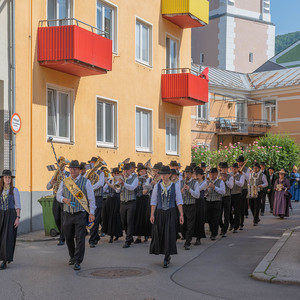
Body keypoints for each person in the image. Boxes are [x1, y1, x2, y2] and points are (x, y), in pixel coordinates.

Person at [56, 160, 96, 271]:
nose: (72, 171)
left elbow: (91, 199)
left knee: (80, 238)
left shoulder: (86, 182)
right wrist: (64, 199)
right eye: (71, 169)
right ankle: (72, 256)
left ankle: (78, 260)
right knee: (68, 237)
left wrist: (92, 212)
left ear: (79, 170)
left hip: (80, 214)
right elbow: (58, 195)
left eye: (75, 169)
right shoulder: (65, 182)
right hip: (67, 214)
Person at [150, 166, 184, 268]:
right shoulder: (157, 186)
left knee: (169, 234)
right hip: (160, 213)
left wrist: (181, 214)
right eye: (162, 175)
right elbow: (154, 201)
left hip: (171, 212)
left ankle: (167, 256)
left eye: (165, 175)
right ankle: (164, 252)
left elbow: (179, 201)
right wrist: (152, 214)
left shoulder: (175, 186)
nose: (163, 177)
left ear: (170, 175)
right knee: (160, 233)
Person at [0, 170, 21, 270]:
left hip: (11, 214)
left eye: (9, 178)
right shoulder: (0, 190)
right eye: (5, 177)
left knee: (7, 238)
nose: (7, 179)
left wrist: (17, 218)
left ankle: (4, 260)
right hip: (1, 214)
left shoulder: (14, 190)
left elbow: (18, 205)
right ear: (3, 179)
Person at [46, 157, 70, 246]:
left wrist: (65, 178)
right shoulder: (55, 175)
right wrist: (51, 183)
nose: (60, 167)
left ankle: (62, 238)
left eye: (62, 165)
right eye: (59, 165)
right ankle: (62, 233)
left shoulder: (68, 174)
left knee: (63, 219)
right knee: (56, 218)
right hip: (56, 199)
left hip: (64, 199)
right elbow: (47, 187)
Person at [86, 157, 105, 248]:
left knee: (95, 219)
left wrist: (90, 188)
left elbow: (101, 183)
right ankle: (95, 236)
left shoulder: (101, 173)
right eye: (91, 163)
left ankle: (92, 240)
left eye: (94, 163)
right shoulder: (87, 173)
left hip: (97, 197)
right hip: (89, 198)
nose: (92, 164)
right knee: (89, 218)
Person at [180, 166, 200, 250]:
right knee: (182, 224)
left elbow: (197, 195)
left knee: (190, 224)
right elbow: (177, 195)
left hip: (191, 205)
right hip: (183, 205)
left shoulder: (195, 183)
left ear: (192, 174)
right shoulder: (181, 182)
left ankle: (188, 241)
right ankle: (185, 236)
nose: (187, 175)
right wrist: (181, 191)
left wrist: (189, 189)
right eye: (186, 173)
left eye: (188, 173)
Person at [119, 163, 138, 248]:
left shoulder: (135, 178)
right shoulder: (122, 178)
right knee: (123, 222)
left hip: (131, 202)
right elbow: (117, 190)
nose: (125, 172)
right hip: (123, 202)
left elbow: (132, 187)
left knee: (129, 221)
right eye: (124, 170)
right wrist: (118, 184)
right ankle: (129, 237)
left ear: (131, 170)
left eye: (127, 170)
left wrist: (124, 184)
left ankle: (128, 240)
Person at [102, 168, 123, 243]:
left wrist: (108, 183)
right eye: (115, 173)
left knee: (116, 217)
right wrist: (104, 183)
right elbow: (104, 190)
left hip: (117, 200)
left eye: (118, 173)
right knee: (109, 217)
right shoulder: (110, 180)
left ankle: (116, 234)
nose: (116, 175)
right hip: (109, 200)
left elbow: (117, 189)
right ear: (113, 174)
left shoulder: (120, 181)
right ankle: (110, 235)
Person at [134, 163, 152, 244]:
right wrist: (137, 184)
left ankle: (146, 234)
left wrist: (145, 185)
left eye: (144, 171)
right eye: (141, 171)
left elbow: (148, 189)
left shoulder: (149, 179)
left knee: (145, 216)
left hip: (145, 199)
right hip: (138, 199)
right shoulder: (136, 179)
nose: (143, 173)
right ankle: (138, 237)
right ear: (139, 172)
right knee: (138, 217)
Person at [205, 168, 225, 240]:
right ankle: (212, 230)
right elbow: (203, 192)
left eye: (213, 174)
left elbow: (223, 192)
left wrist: (215, 187)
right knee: (209, 218)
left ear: (217, 174)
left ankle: (214, 233)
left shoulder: (220, 182)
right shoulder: (207, 181)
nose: (212, 175)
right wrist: (206, 189)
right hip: (208, 201)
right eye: (211, 174)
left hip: (217, 201)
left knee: (216, 218)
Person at [193, 167, 207, 245]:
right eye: (196, 175)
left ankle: (199, 237)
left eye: (198, 175)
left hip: (201, 201)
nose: (197, 176)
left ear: (202, 175)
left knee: (200, 219)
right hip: (194, 201)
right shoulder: (195, 182)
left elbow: (198, 189)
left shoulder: (204, 183)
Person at [229, 163, 245, 233]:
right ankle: (232, 223)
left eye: (235, 168)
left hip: (238, 194)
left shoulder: (241, 176)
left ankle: (236, 226)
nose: (234, 169)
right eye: (233, 168)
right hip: (230, 194)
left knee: (237, 211)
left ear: (238, 169)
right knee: (228, 211)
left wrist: (234, 181)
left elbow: (241, 184)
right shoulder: (229, 175)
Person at [219, 162, 233, 237]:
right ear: (220, 168)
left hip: (227, 197)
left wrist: (225, 181)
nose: (224, 170)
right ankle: (222, 227)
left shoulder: (230, 176)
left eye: (225, 168)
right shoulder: (218, 176)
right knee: (219, 215)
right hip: (219, 197)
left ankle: (224, 230)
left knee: (226, 215)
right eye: (223, 168)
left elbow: (231, 186)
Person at [237, 155, 250, 223]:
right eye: (238, 162)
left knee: (242, 206)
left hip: (244, 189)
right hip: (236, 189)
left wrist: (242, 173)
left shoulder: (247, 169)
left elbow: (248, 179)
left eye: (240, 162)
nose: (239, 163)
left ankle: (241, 222)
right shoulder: (235, 168)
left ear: (242, 162)